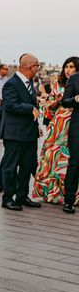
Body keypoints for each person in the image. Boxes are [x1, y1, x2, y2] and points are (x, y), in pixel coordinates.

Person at [32, 58, 79, 204]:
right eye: (66, 66)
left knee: (70, 159)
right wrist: (58, 100)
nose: (68, 70)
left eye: (71, 67)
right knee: (53, 157)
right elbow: (47, 106)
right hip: (59, 123)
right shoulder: (58, 85)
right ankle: (53, 192)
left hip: (73, 121)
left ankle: (70, 194)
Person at [0, 53, 42, 211]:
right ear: (31, 67)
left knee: (27, 166)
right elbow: (10, 105)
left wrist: (36, 125)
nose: (38, 68)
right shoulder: (12, 84)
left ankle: (22, 196)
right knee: (10, 167)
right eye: (37, 65)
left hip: (29, 134)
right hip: (14, 134)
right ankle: (8, 198)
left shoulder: (29, 83)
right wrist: (30, 108)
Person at [61, 64, 79, 214]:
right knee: (75, 164)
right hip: (77, 128)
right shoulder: (74, 79)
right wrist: (76, 98)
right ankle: (69, 201)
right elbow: (65, 101)